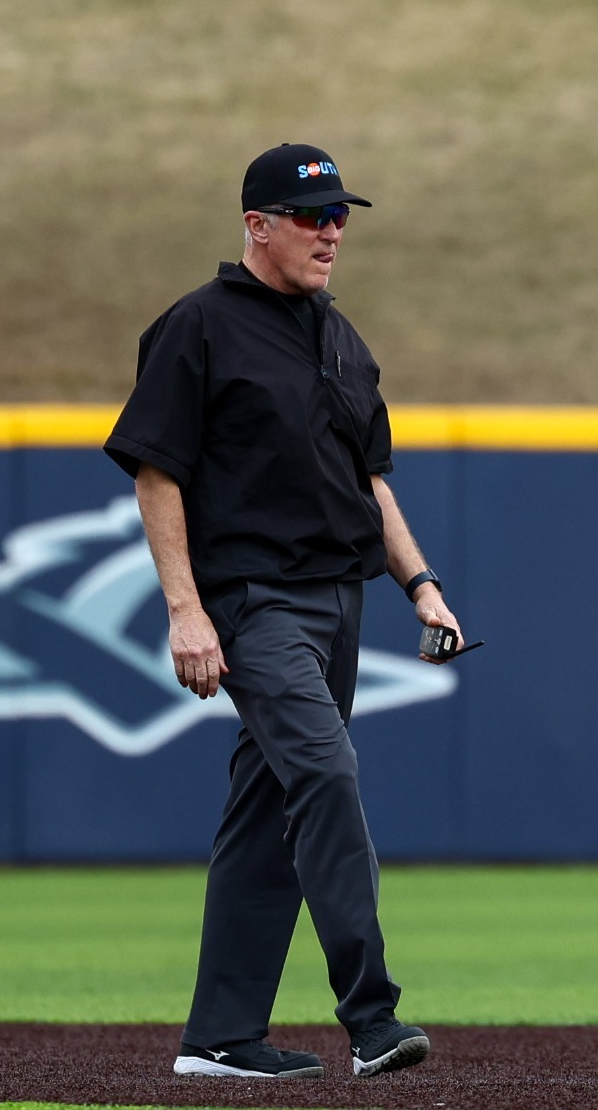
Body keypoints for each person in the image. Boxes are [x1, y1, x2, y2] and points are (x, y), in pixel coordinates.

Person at [105, 143, 458, 1081]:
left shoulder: (341, 338)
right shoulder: (199, 326)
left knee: (268, 807)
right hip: (253, 604)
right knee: (326, 773)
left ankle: (220, 1036)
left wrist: (419, 584)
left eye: (341, 214)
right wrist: (186, 610)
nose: (332, 230)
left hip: (338, 600)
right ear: (258, 225)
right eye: (313, 216)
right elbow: (157, 470)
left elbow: (369, 482)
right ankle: (374, 1017)